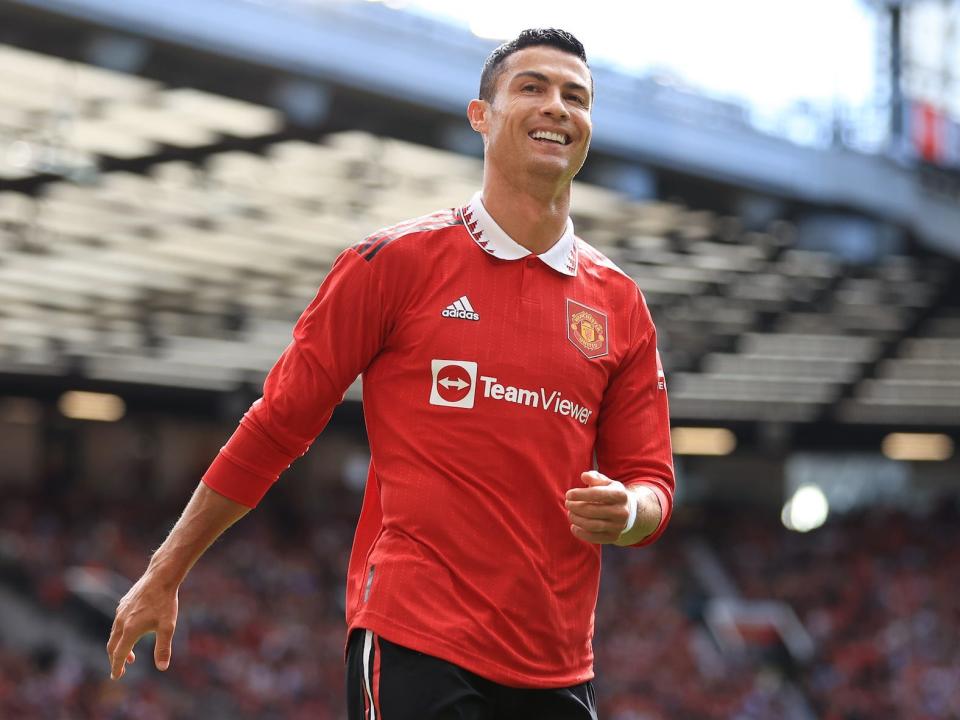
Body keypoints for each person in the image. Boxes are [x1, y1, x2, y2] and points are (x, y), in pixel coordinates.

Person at [106, 28, 675, 719]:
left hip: (559, 664)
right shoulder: (393, 264)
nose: (558, 106)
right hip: (416, 638)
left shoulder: (619, 304)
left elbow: (652, 481)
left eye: (576, 97)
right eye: (532, 87)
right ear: (481, 116)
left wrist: (628, 512)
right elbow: (279, 424)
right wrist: (165, 571)